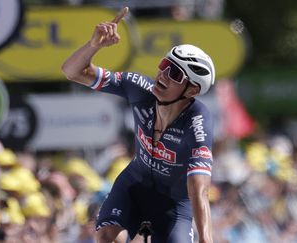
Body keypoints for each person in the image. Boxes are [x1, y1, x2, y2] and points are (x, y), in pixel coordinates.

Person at [61, 7, 216, 243]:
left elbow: (198, 187)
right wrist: (94, 45)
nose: (162, 74)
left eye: (174, 74)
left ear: (192, 90)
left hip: (173, 203)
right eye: (164, 65)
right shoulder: (139, 87)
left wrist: (206, 239)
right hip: (134, 186)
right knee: (108, 237)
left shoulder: (197, 120)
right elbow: (71, 71)